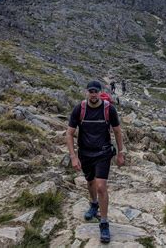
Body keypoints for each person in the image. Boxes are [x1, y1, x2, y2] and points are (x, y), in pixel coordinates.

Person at [66, 80, 125, 243]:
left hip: (103, 153)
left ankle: (104, 223)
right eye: (90, 91)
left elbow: (118, 132)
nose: (93, 94)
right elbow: (69, 133)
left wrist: (121, 153)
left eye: (96, 91)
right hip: (85, 153)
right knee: (90, 182)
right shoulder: (80, 109)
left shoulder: (108, 109)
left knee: (101, 186)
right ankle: (93, 204)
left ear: (100, 92)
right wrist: (73, 156)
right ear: (87, 92)